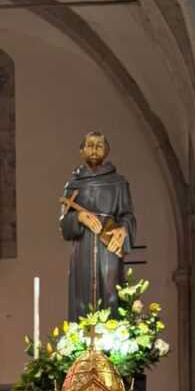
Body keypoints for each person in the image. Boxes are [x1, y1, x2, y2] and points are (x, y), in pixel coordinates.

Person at [58, 131, 136, 319]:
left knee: (111, 291)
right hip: (82, 249)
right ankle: (82, 334)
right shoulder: (73, 185)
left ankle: (112, 332)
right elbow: (64, 225)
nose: (94, 149)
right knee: (82, 296)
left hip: (108, 247)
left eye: (99, 146)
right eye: (90, 145)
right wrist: (78, 217)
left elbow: (127, 215)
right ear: (82, 150)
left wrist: (123, 229)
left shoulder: (118, 183)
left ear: (106, 151)